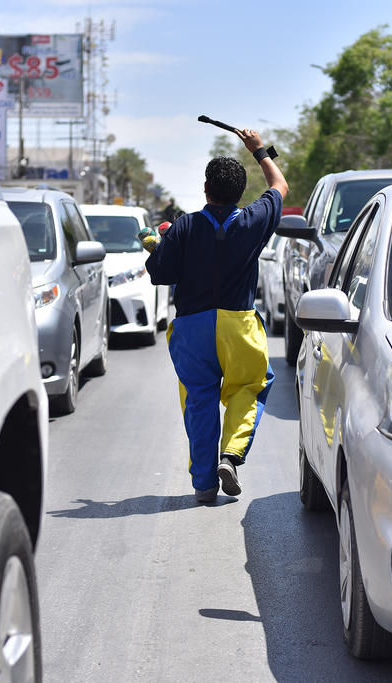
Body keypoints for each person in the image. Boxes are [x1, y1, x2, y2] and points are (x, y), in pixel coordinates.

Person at [144, 128, 288, 504]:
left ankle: (204, 483)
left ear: (205, 189)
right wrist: (259, 150)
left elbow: (160, 274)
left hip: (192, 327)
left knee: (199, 399)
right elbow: (280, 185)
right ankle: (231, 454)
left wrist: (158, 245)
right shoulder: (255, 219)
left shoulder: (185, 226)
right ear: (241, 192)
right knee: (250, 386)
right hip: (238, 324)